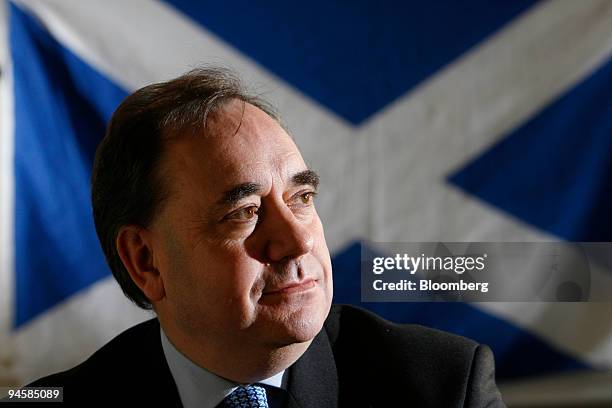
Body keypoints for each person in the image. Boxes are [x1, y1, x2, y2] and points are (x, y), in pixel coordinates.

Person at [30, 68, 505, 407]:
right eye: (245, 212)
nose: (299, 241)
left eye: (301, 198)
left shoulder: (442, 387)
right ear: (146, 261)